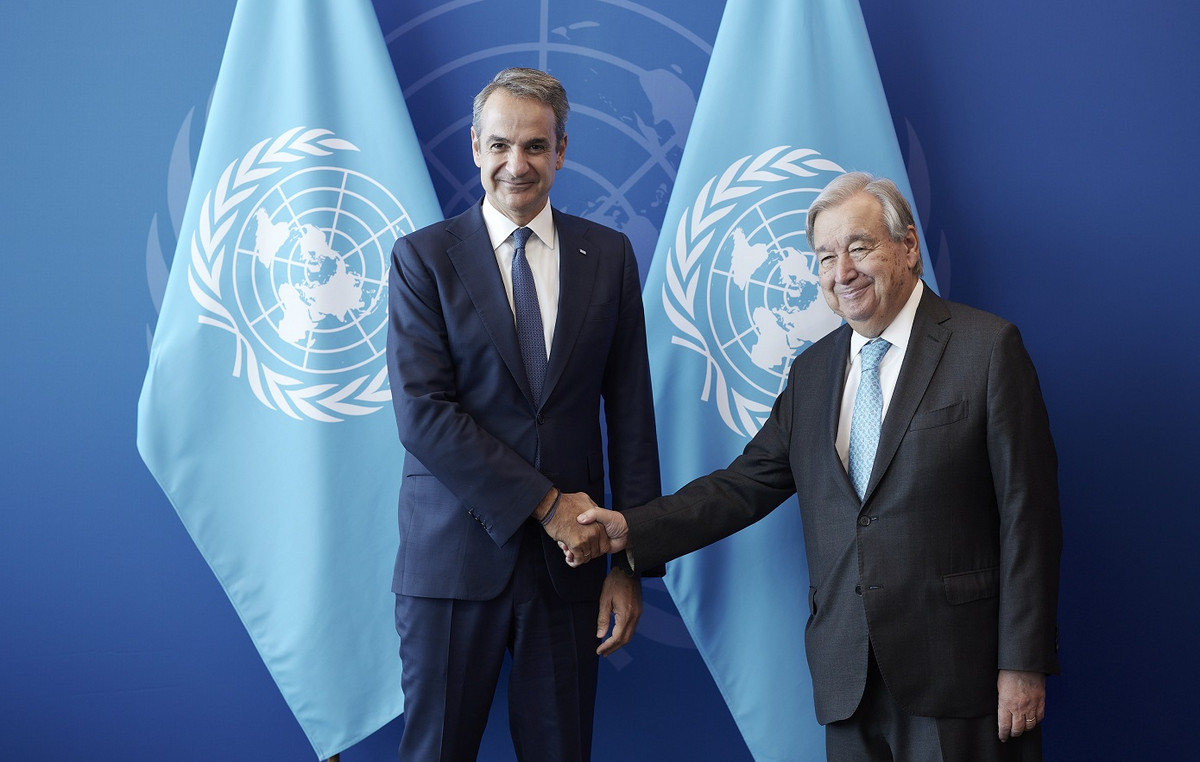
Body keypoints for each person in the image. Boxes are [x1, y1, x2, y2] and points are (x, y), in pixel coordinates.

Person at [565, 172, 1061, 761]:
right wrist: (633, 527)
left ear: (908, 246)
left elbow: (1028, 519)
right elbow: (743, 485)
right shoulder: (813, 373)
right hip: (848, 679)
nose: (841, 272)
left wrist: (1022, 662)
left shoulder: (987, 349)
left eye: (859, 247)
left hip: (961, 676)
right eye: (825, 257)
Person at [386, 67, 660, 761]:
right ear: (475, 147)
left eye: (536, 146)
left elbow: (631, 418)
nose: (517, 164)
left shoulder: (610, 257)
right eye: (500, 145)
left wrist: (630, 565)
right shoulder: (422, 259)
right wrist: (547, 504)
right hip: (452, 564)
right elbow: (424, 416)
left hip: (571, 570)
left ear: (561, 150)